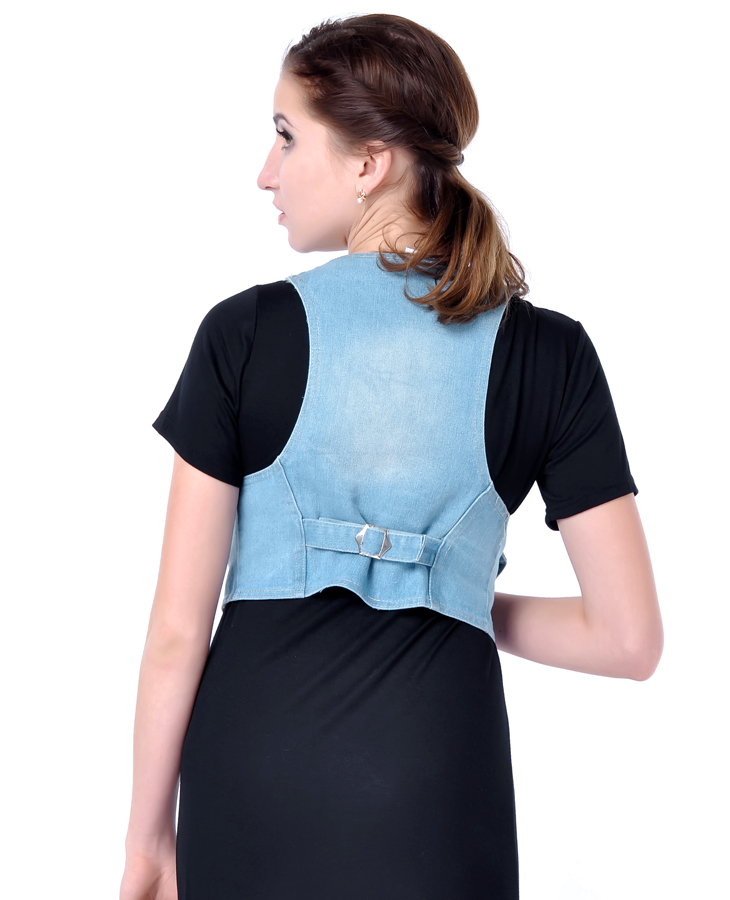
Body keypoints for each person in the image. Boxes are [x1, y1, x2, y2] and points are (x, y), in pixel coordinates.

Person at [120, 14, 663, 900]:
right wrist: (451, 591)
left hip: (249, 784)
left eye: (287, 137)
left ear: (369, 163)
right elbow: (628, 641)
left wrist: (148, 841)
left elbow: (178, 633)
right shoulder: (550, 354)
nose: (265, 172)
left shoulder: (242, 334)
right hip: (437, 791)